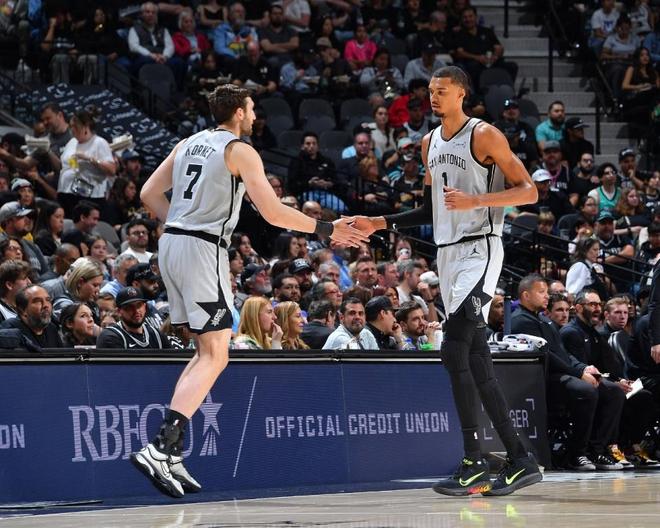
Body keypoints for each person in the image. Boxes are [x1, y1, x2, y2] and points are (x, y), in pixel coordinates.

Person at [131, 83, 366, 497]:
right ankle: (161, 447)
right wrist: (326, 228)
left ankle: (172, 450)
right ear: (239, 112)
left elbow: (148, 193)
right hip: (201, 248)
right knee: (217, 353)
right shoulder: (238, 150)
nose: (256, 116)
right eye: (253, 108)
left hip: (172, 245)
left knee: (206, 351)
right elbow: (273, 213)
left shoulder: (187, 143)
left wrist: (181, 222)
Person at [352, 66, 542, 496]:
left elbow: (529, 191)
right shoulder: (428, 143)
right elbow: (429, 210)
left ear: (461, 93)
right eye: (430, 91)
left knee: (453, 347)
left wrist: (477, 201)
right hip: (448, 254)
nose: (434, 97)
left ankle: (475, 459)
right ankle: (520, 458)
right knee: (475, 358)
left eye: (442, 90)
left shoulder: (484, 135)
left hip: (481, 249)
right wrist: (378, 221)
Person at [512, 276, 624, 471]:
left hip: (562, 374)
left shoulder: (544, 320)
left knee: (613, 391)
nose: (547, 296)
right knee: (586, 390)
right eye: (541, 292)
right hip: (542, 380)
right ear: (526, 295)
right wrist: (579, 374)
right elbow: (547, 356)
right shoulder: (520, 321)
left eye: (546, 292)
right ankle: (576, 454)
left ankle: (596, 450)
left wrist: (583, 368)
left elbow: (562, 353)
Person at [97, 286, 170, 349]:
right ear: (119, 311)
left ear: (145, 307)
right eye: (129, 307)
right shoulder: (110, 336)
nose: (136, 311)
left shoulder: (156, 335)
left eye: (139, 305)